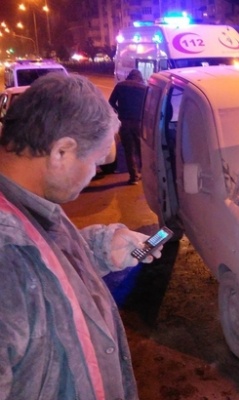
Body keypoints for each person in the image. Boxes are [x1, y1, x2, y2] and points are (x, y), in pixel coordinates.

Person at [0, 73, 162, 400]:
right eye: (95, 162)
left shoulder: (25, 206)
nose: (92, 175)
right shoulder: (5, 255)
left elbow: (41, 267)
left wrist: (96, 250)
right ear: (62, 152)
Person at [109, 69, 147, 185]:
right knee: (142, 148)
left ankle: (134, 176)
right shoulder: (144, 88)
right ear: (139, 77)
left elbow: (111, 102)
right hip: (139, 122)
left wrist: (120, 111)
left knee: (129, 149)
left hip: (124, 122)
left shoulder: (120, 86)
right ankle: (145, 174)